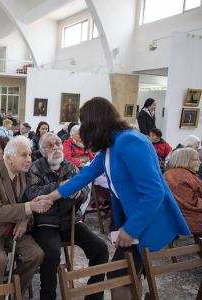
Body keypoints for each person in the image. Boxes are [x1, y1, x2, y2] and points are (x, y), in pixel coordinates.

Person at [35, 97, 190, 299]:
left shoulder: (130, 141)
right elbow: (84, 176)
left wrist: (131, 228)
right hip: (136, 221)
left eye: (84, 123)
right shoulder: (113, 144)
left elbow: (154, 192)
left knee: (120, 276)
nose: (83, 129)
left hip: (145, 222)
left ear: (95, 122)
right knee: (130, 275)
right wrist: (51, 197)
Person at [26, 133, 109, 300]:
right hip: (46, 224)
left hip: (70, 220)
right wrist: (60, 187)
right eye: (50, 145)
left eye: (58, 143)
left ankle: (93, 296)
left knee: (101, 249)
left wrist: (79, 192)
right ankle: (47, 296)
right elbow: (33, 193)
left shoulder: (70, 166)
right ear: (42, 151)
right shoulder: (35, 168)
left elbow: (85, 191)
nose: (56, 147)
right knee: (51, 255)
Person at [0, 136, 51, 299]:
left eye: (29, 155)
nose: (29, 159)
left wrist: (24, 219)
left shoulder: (22, 171)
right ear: (8, 157)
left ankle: (14, 292)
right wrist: (29, 208)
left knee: (35, 254)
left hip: (15, 227)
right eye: (24, 155)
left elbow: (23, 200)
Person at [164, 148, 202, 236]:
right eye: (196, 159)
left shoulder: (169, 174)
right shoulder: (183, 175)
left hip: (177, 218)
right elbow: (189, 204)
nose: (199, 162)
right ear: (186, 160)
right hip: (187, 220)